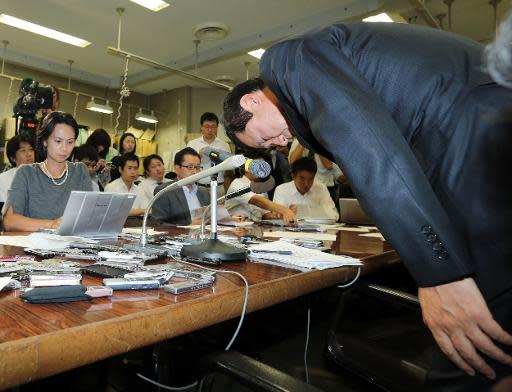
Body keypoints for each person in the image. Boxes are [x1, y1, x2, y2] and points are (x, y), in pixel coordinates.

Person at [223, 22, 512, 390]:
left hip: (474, 126)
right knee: (496, 337)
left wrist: (441, 275)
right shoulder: (321, 95)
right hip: (480, 126)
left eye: (266, 137)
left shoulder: (286, 60)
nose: (279, 143)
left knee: (472, 351)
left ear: (251, 101)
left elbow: (373, 154)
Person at [2, 112, 92, 231]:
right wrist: (52, 224)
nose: (64, 148)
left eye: (70, 142)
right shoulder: (26, 173)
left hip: (71, 246)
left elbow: (89, 215)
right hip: (33, 246)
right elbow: (10, 221)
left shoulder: (80, 171)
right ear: (45, 141)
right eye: (58, 141)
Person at [225, 150, 296, 224]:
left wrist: (279, 215)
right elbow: (258, 201)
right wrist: (284, 210)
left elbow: (264, 215)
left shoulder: (261, 186)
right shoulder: (237, 184)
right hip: (234, 230)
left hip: (253, 229)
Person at [152, 147, 210, 226]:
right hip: (179, 237)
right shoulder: (165, 191)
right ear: (177, 168)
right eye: (190, 167)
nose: (195, 172)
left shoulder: (204, 192)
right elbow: (158, 224)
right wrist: (188, 226)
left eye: (198, 167)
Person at [273, 157, 338, 222]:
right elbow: (278, 217)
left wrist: (308, 212)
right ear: (293, 176)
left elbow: (334, 215)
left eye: (310, 179)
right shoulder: (281, 190)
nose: (306, 184)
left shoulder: (321, 189)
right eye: (302, 178)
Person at [187, 112, 233, 196]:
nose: (210, 130)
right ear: (201, 127)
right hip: (198, 187)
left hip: (218, 187)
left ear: (217, 127)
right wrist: (198, 156)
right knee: (200, 209)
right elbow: (187, 167)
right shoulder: (192, 144)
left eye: (213, 127)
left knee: (219, 209)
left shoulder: (224, 145)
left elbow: (230, 169)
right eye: (207, 126)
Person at [0, 134, 35, 208]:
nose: (29, 154)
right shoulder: (3, 179)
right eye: (23, 150)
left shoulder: (43, 176)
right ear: (13, 158)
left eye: (31, 149)